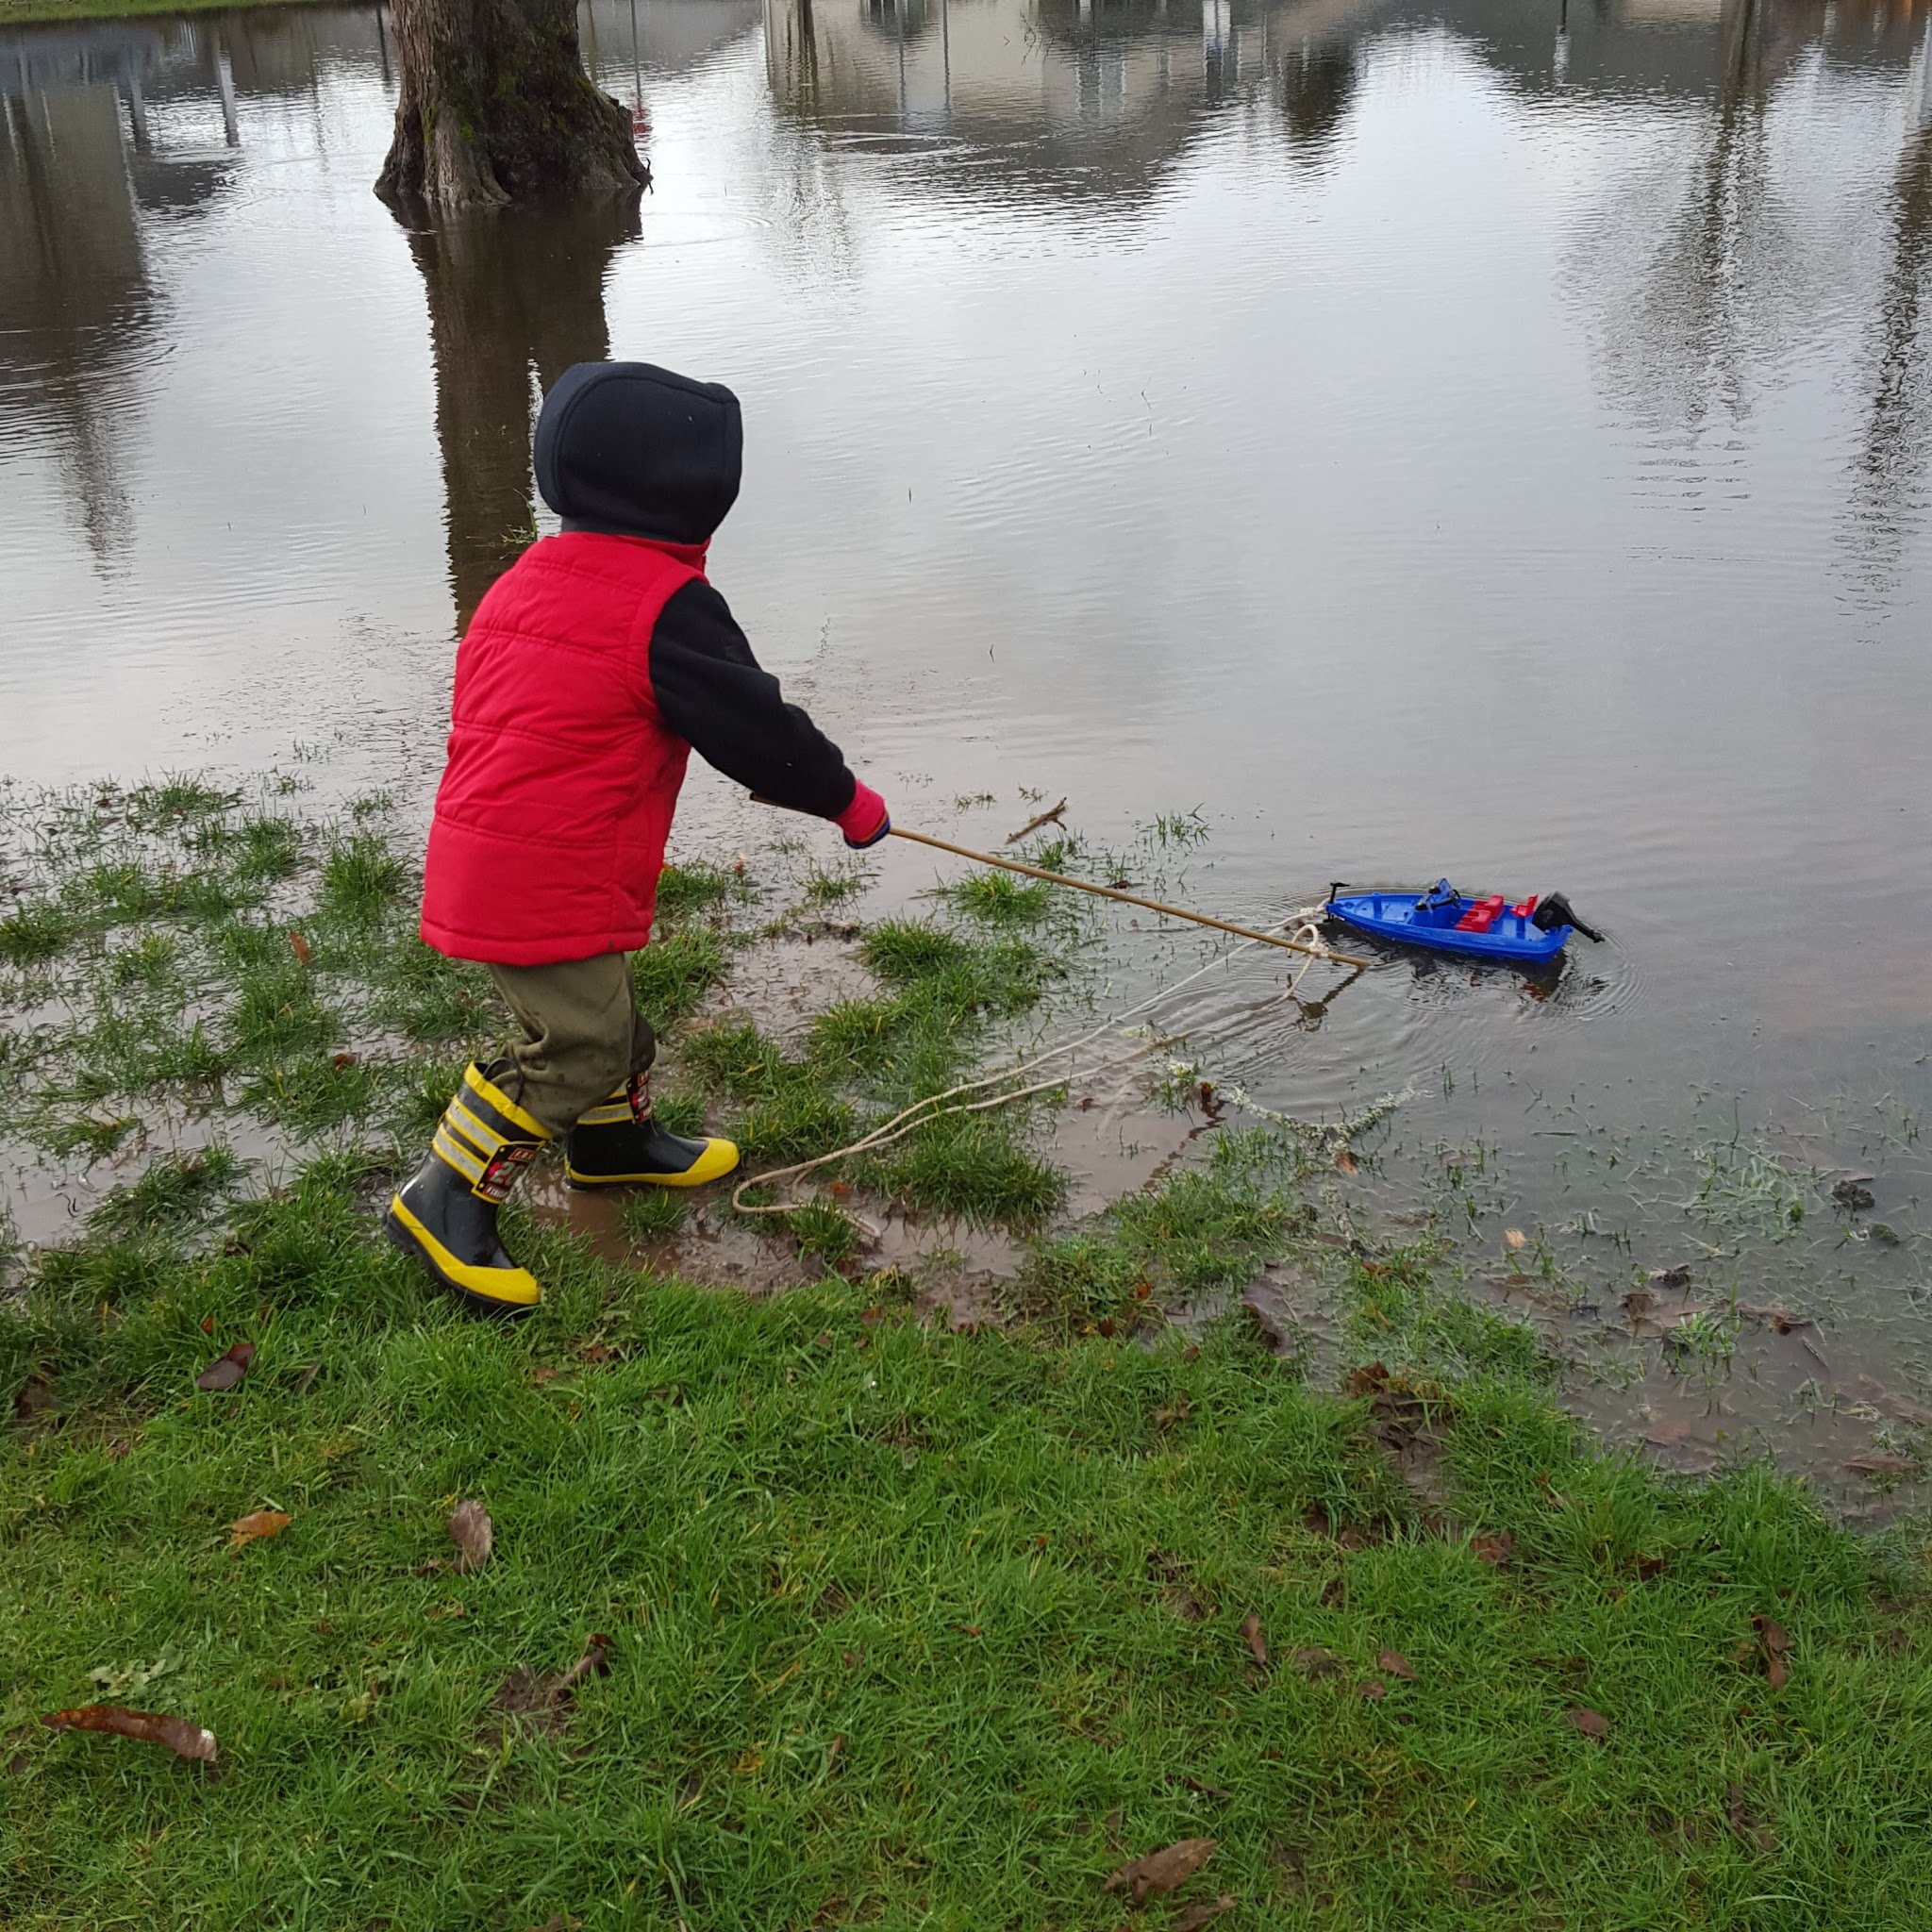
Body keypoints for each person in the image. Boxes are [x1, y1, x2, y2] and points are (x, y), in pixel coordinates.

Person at [386, 360, 890, 1316]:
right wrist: (849, 804)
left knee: (605, 1011)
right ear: (698, 497)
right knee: (577, 1046)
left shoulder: (526, 576)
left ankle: (611, 1148)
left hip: (504, 854)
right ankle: (442, 1195)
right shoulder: (662, 606)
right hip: (542, 870)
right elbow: (759, 734)